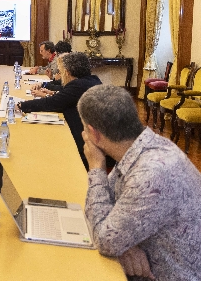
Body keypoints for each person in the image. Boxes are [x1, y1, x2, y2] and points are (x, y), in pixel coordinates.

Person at [78, 84, 201, 280]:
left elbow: (104, 239)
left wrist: (96, 167)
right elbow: (109, 204)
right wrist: (125, 246)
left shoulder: (151, 173)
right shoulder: (143, 147)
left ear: (94, 134)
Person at [18, 52, 101, 169]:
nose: (60, 76)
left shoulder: (78, 85)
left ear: (67, 72)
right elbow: (62, 96)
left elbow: (52, 103)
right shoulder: (90, 80)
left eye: (61, 72)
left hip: (85, 144)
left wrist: (20, 105)